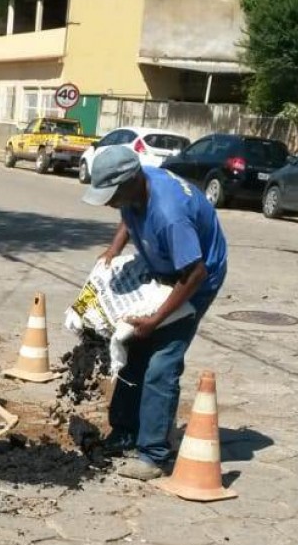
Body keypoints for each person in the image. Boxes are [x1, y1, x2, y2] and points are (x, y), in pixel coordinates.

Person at [82, 145, 229, 480]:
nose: (108, 201)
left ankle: (154, 455)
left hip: (194, 280)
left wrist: (157, 319)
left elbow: (195, 274)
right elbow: (128, 216)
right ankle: (125, 432)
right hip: (163, 266)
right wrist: (114, 248)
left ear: (132, 181)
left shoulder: (170, 215)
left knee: (162, 360)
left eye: (111, 194)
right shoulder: (136, 190)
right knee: (134, 347)